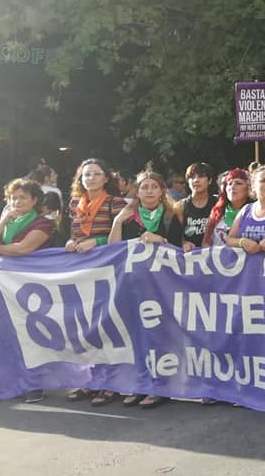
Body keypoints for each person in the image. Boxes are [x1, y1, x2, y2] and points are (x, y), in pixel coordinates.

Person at [0, 178, 54, 405]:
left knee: (29, 335)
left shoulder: (43, 223)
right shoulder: (7, 221)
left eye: (23, 197)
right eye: (13, 198)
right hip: (0, 288)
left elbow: (23, 249)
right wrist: (1, 222)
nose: (17, 201)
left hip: (30, 289)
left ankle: (34, 383)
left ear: (34, 200)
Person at [107, 171, 179, 409]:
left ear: (162, 191)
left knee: (160, 336)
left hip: (162, 287)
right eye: (144, 187)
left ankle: (161, 386)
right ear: (136, 192)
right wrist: (118, 221)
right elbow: (113, 249)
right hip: (133, 285)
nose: (149, 191)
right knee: (136, 337)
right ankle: (141, 384)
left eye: (154, 187)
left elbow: (181, 251)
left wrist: (160, 240)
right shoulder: (128, 217)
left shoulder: (171, 215)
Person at [64, 157, 128, 406]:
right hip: (83, 271)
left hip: (109, 271)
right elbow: (75, 232)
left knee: (109, 326)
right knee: (87, 328)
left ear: (106, 178)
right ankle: (90, 381)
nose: (90, 178)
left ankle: (112, 383)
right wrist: (71, 241)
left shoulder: (116, 202)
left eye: (95, 174)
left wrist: (97, 242)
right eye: (86, 174)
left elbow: (120, 240)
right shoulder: (74, 203)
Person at [172, 162, 217, 251]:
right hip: (190, 257)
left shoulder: (218, 203)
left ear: (210, 180)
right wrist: (183, 243)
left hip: (215, 255)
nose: (196, 180)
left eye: (201, 176)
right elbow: (175, 234)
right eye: (192, 177)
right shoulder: (180, 206)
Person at [203, 169, 252, 247]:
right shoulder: (217, 212)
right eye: (229, 183)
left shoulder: (255, 212)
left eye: (238, 183)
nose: (232, 187)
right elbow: (206, 243)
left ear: (249, 189)